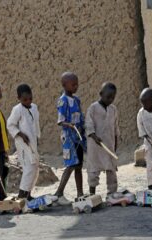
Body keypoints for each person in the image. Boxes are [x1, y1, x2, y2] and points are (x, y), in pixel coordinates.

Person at [54, 72, 86, 205]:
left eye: (77, 84)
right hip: (69, 138)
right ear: (64, 85)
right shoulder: (63, 101)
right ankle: (58, 193)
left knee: (79, 165)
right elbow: (60, 121)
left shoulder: (77, 100)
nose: (76, 86)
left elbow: (80, 117)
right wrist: (71, 126)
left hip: (78, 137)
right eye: (73, 84)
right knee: (70, 165)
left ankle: (80, 194)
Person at [7, 84, 40, 201]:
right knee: (28, 167)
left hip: (33, 142)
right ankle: (22, 195)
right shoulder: (17, 109)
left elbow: (36, 125)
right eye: (25, 99)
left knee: (35, 167)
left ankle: (28, 194)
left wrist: (37, 139)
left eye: (30, 98)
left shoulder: (34, 107)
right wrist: (20, 134)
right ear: (19, 98)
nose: (28, 101)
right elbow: (10, 124)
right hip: (23, 143)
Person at [86, 82, 119, 196]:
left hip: (109, 145)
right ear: (101, 94)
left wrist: (115, 145)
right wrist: (94, 136)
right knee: (94, 169)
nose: (110, 99)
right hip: (95, 146)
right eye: (108, 97)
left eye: (113, 97)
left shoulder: (113, 109)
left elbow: (115, 128)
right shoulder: (93, 108)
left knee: (111, 169)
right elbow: (89, 125)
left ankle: (111, 193)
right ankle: (92, 194)